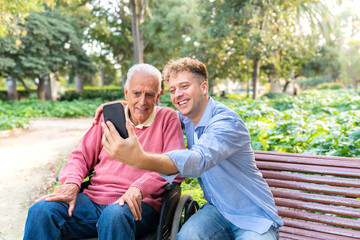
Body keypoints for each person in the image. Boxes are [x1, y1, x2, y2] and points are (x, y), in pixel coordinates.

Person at [97, 57, 283, 240]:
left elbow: (198, 159)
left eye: (184, 86)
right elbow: (154, 112)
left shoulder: (226, 122)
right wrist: (125, 105)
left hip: (253, 216)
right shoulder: (187, 118)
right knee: (187, 235)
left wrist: (141, 159)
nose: (177, 94)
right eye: (173, 89)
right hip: (217, 211)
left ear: (204, 87)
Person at [23, 64, 185, 240]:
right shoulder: (109, 117)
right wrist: (71, 183)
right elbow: (80, 157)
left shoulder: (167, 118)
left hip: (138, 204)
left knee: (114, 215)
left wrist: (139, 187)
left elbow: (175, 165)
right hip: (93, 200)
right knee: (41, 211)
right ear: (126, 93)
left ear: (158, 96)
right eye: (136, 93)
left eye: (150, 94)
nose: (142, 101)